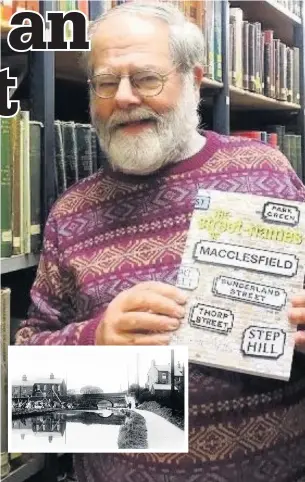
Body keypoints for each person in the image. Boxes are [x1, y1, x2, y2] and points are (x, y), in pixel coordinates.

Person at [16, 2, 305, 481]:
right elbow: (35, 405)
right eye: (106, 83)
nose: (124, 98)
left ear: (194, 79)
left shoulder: (265, 170)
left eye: (146, 78)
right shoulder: (71, 213)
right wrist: (98, 341)